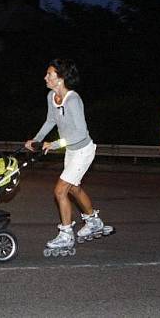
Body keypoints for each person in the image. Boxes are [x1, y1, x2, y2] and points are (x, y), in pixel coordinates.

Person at [24, 58, 109, 254]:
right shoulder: (51, 97)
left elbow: (80, 132)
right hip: (71, 150)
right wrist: (36, 140)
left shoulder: (73, 100)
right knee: (74, 188)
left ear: (60, 78)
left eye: (50, 74)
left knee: (60, 190)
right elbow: (50, 121)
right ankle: (94, 221)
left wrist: (54, 144)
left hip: (83, 150)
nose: (46, 77)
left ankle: (66, 235)